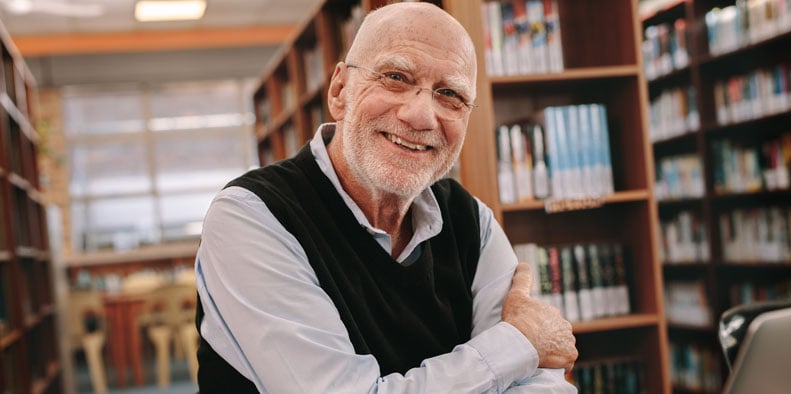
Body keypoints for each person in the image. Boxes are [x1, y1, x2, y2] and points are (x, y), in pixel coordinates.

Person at [194, 2, 578, 392]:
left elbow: (542, 383)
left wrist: (519, 354)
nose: (421, 115)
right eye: (395, 77)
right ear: (340, 90)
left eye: (450, 95)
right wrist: (520, 342)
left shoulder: (471, 221)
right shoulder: (252, 216)